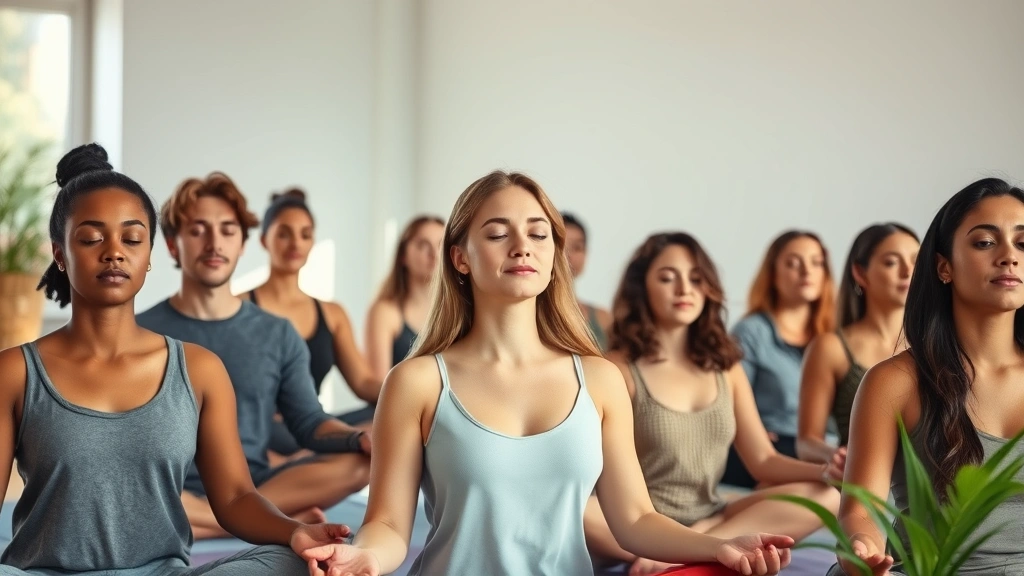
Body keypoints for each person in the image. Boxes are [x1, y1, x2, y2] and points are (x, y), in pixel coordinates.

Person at [297, 171, 795, 576]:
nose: (522, 246)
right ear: (460, 258)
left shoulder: (599, 380)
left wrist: (723, 546)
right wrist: (363, 556)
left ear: (554, 255)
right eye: (497, 234)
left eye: (538, 234)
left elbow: (636, 520)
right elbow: (386, 523)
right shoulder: (417, 382)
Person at [0, 143, 351, 576]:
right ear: (59, 253)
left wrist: (294, 532)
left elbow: (237, 499)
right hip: (42, 573)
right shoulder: (14, 372)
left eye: (132, 238)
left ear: (149, 256)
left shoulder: (199, 369)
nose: (114, 252)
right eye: (91, 238)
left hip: (161, 572)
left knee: (294, 564)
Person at [584, 232, 839, 575]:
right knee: (576, 510)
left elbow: (763, 460)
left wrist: (828, 472)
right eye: (666, 278)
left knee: (829, 496)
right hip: (634, 522)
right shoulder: (616, 368)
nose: (684, 289)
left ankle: (691, 546)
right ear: (642, 288)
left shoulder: (727, 368)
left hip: (711, 515)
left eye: (695, 278)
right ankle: (685, 546)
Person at [136, 173, 370, 540]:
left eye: (228, 230)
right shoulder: (139, 331)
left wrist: (358, 439)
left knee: (365, 461)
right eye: (198, 230)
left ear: (243, 244)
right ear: (171, 245)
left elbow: (308, 421)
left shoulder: (277, 333)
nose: (215, 243)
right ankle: (251, 523)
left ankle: (226, 523)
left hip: (254, 486)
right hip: (166, 488)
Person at [829, 178, 1024, 575]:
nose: (1009, 256)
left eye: (1023, 243)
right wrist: (864, 552)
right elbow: (860, 512)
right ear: (943, 267)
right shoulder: (894, 382)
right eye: (985, 242)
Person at [245, 189, 381, 452]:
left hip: (312, 426)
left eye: (305, 235)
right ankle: (310, 461)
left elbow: (363, 382)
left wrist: (411, 392)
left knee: (387, 415)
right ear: (263, 240)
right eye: (284, 234)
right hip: (262, 428)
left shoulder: (332, 314)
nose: (296, 244)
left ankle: (307, 459)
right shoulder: (239, 306)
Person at [797, 223, 918, 473]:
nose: (908, 271)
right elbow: (806, 442)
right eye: (892, 262)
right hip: (859, 479)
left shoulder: (936, 343)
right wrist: (834, 455)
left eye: (916, 261)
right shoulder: (830, 348)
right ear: (860, 273)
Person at [723, 230, 836, 488]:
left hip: (825, 446)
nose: (807, 271)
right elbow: (728, 400)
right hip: (775, 443)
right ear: (773, 274)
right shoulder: (751, 332)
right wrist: (754, 432)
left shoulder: (834, 337)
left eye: (816, 263)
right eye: (794, 263)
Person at [364, 215, 445, 379]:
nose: (434, 254)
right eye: (423, 245)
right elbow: (379, 387)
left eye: (441, 245)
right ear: (403, 256)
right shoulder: (385, 312)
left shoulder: (462, 310)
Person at [563, 212, 612, 350]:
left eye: (577, 247)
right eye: (561, 246)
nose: (568, 255)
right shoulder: (527, 314)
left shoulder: (603, 319)